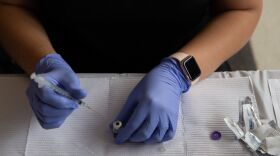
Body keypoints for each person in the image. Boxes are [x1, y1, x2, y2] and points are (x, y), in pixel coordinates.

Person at [0, 0, 262, 144]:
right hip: (58, 52)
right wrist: (42, 61)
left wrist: (179, 72)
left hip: (192, 51)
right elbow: (12, 5)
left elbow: (242, 8)